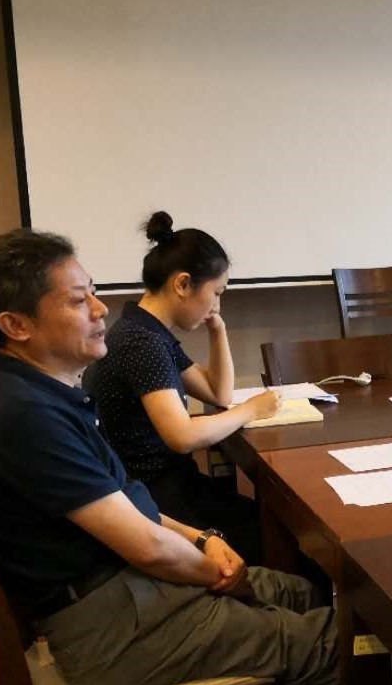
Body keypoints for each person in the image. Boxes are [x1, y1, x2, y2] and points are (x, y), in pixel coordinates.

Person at [0, 229, 336, 685]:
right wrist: (216, 572)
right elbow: (148, 548)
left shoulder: (35, 392)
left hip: (122, 590)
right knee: (332, 642)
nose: (101, 309)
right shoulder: (23, 414)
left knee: (301, 592)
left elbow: (126, 505)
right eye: (78, 300)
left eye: (94, 292)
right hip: (111, 626)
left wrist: (202, 539)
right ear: (16, 325)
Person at [84, 212, 277, 561]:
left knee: (270, 522)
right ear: (183, 285)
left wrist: (217, 329)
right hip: (156, 500)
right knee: (278, 532)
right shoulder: (142, 343)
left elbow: (218, 393)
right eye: (216, 293)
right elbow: (182, 435)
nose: (217, 305)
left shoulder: (147, 331)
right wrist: (251, 410)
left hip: (166, 487)